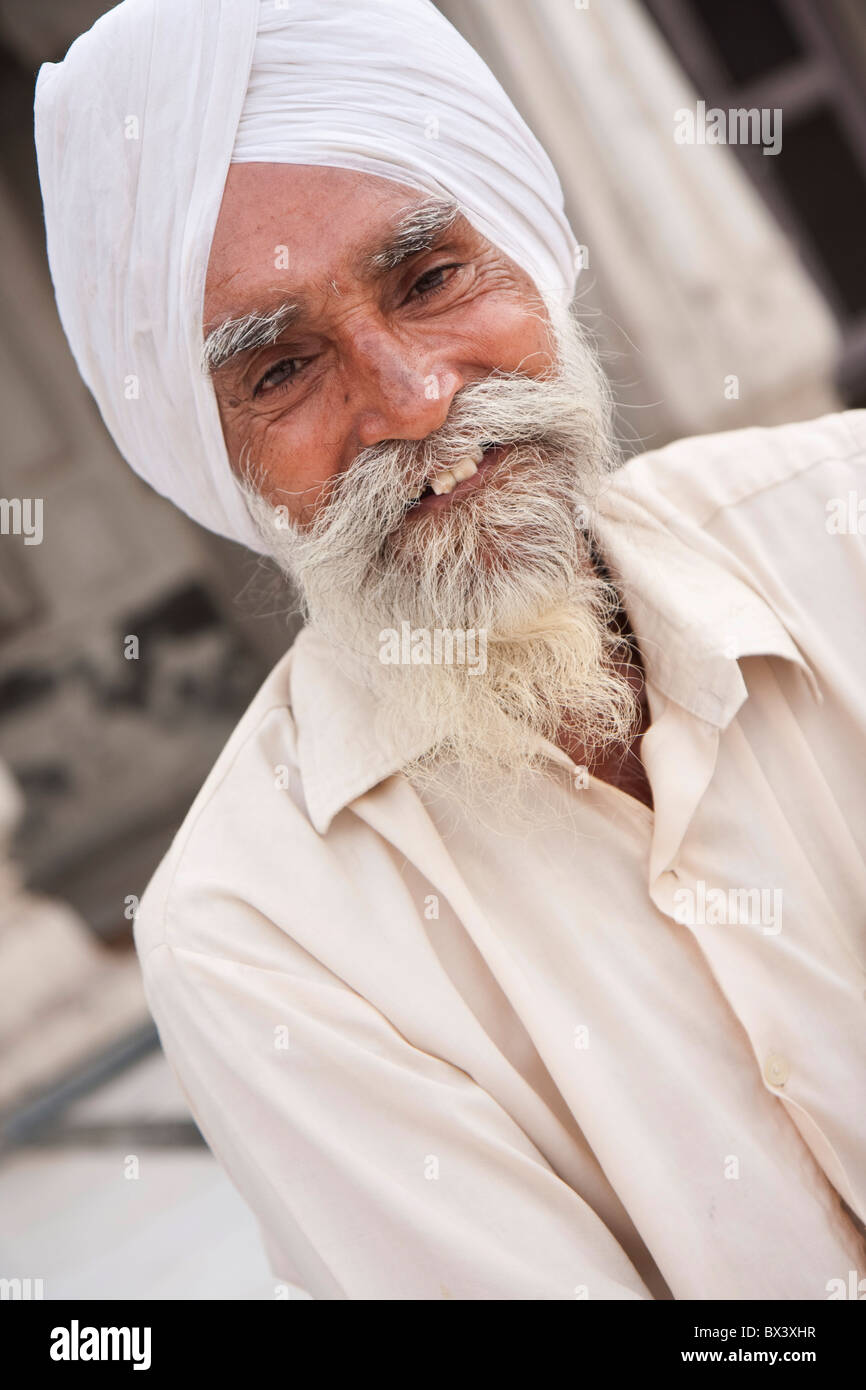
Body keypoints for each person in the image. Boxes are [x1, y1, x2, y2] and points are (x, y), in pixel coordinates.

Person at [35, 0, 866, 1300]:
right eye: (281, 368)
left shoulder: (845, 521)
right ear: (209, 454)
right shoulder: (255, 935)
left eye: (428, 280)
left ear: (527, 252)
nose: (414, 399)